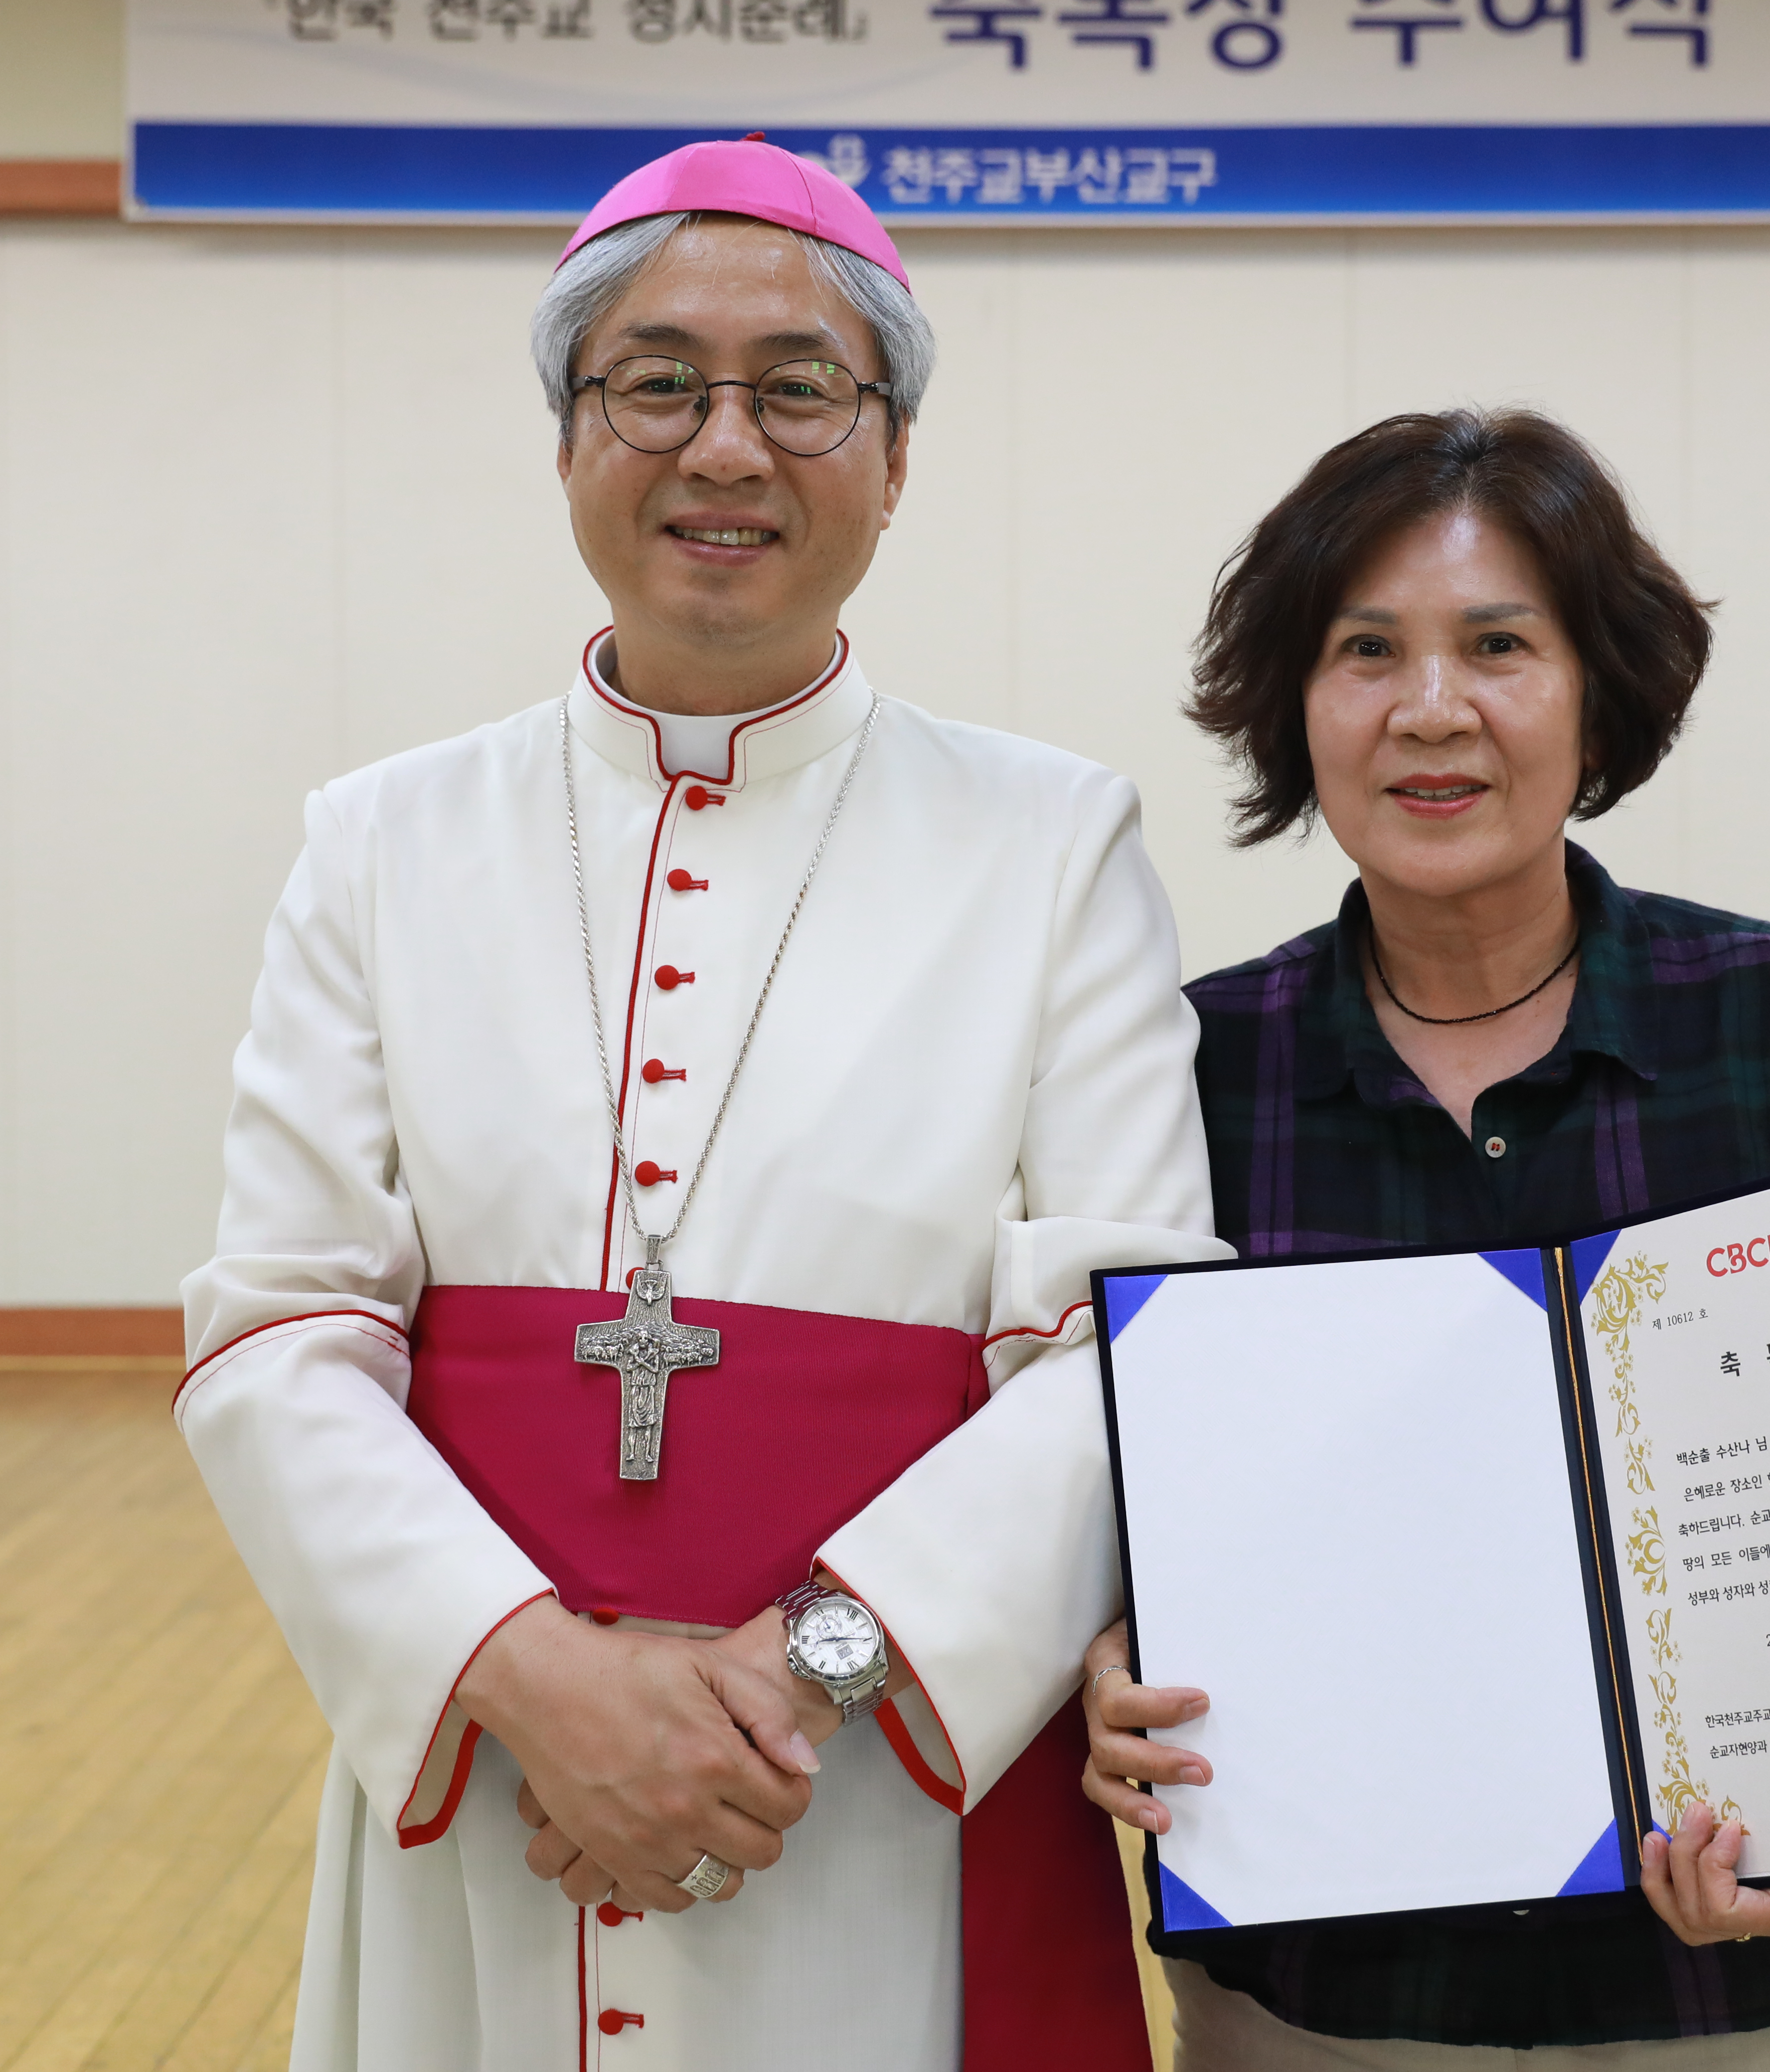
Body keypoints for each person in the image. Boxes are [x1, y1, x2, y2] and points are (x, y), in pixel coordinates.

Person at [178, 136, 1225, 2072]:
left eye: (801, 389)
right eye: (655, 383)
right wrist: (536, 1681)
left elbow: (1125, 1346)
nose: (725, 446)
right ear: (569, 437)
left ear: (894, 458)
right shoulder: (382, 844)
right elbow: (274, 1336)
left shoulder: (1054, 842)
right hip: (498, 1776)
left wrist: (797, 1681)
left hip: (873, 1796)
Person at [1080, 408, 1770, 2069]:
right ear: (1293, 702)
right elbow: (1096, 1484)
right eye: (1366, 649)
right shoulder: (1198, 1070)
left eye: (1499, 646)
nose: (1430, 708)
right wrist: (1105, 1664)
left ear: (1600, 692)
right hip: (1338, 2004)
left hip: (1749, 1990)